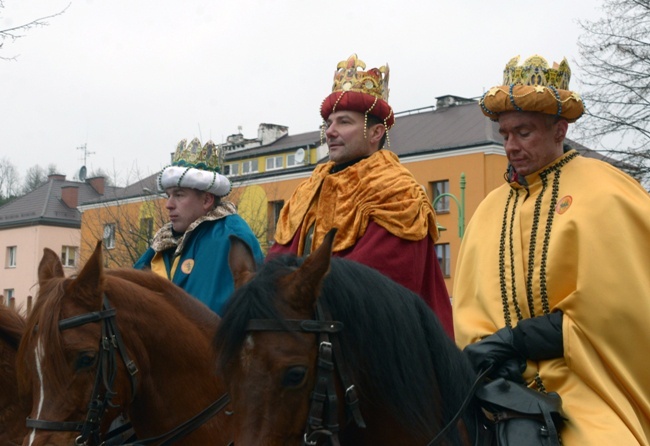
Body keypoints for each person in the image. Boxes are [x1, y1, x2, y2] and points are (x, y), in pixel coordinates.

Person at [454, 55, 650, 444]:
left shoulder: (606, 191)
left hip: (587, 383)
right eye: (505, 134)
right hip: (497, 387)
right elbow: (469, 314)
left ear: (560, 129)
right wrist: (487, 351)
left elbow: (622, 311)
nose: (511, 146)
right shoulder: (489, 209)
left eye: (524, 133)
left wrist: (521, 339)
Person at [269, 54, 453, 338]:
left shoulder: (397, 191)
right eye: (328, 123)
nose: (330, 132)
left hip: (372, 346)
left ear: (376, 132)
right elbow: (275, 265)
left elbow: (379, 284)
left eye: (343, 122)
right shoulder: (307, 190)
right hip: (303, 337)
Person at [134, 137, 264, 315]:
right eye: (168, 195)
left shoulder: (230, 237)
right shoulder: (163, 242)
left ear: (206, 200)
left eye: (179, 195)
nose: (169, 204)